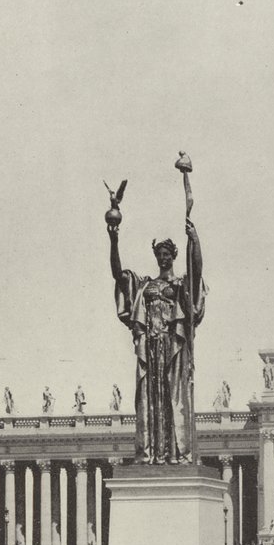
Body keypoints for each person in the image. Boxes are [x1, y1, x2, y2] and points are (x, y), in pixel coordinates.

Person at [109, 179, 207, 465]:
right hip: (151, 349)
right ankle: (151, 453)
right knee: (149, 403)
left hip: (173, 347)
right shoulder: (144, 285)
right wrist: (113, 236)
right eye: (159, 255)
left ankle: (177, 453)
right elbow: (118, 274)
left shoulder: (180, 285)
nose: (163, 258)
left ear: (174, 255)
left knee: (174, 401)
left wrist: (195, 240)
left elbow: (197, 272)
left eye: (167, 254)